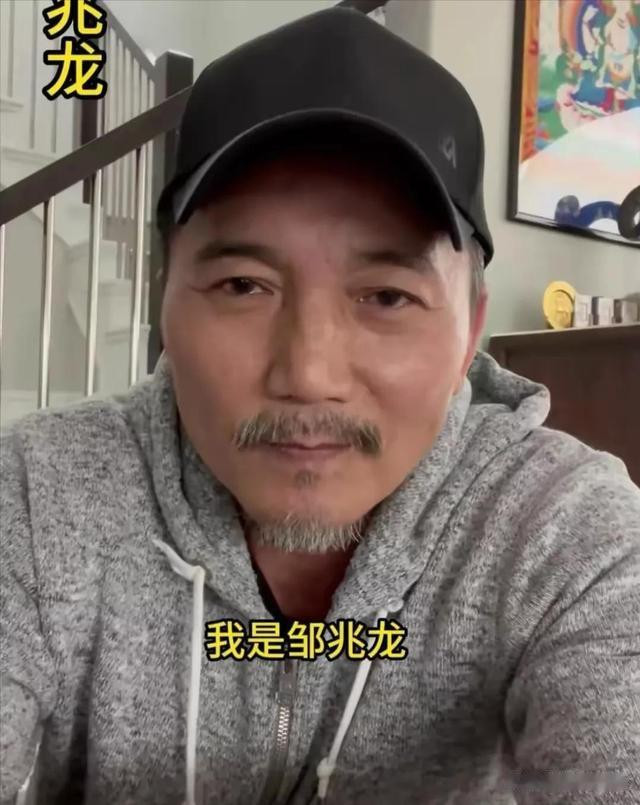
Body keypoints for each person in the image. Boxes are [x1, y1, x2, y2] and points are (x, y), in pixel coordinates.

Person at [1, 7, 639, 805]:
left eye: (387, 296)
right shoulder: (38, 495)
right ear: (166, 299)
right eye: (244, 285)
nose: (307, 373)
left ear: (470, 333)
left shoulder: (566, 535)